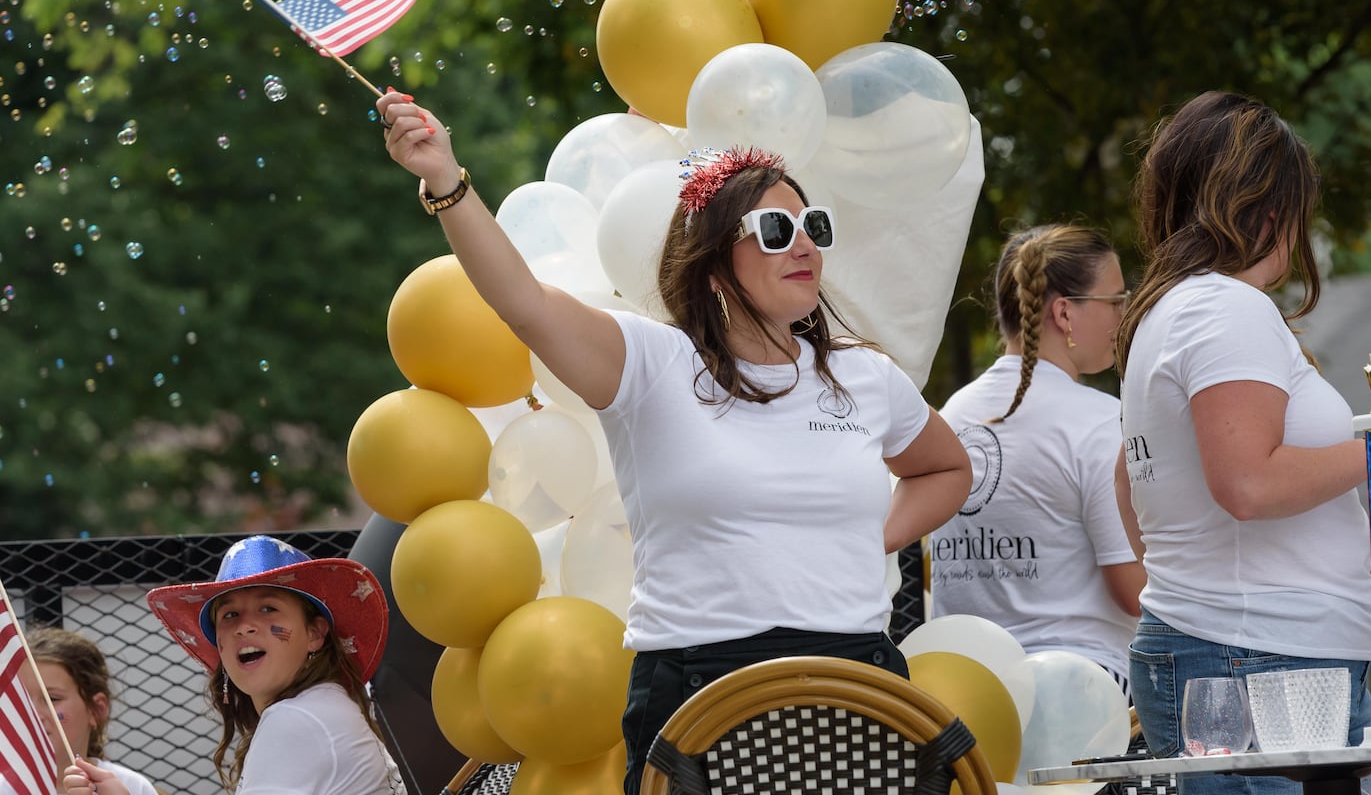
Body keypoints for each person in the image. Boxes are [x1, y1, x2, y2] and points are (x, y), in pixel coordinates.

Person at [374, 89, 971, 794]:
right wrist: (446, 180)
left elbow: (944, 470)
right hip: (699, 684)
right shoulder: (652, 364)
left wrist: (862, 538)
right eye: (775, 230)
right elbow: (524, 304)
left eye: (813, 225)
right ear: (716, 266)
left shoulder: (864, 375)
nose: (804, 243)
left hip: (857, 678)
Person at [1114, 91, 1371, 794]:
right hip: (1257, 662)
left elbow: (1129, 480)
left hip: (1252, 655)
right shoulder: (1226, 307)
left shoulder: (1172, 310)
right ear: (1268, 206)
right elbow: (1248, 485)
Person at [929, 224, 1144, 695]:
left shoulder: (951, 416)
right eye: (1115, 301)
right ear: (1064, 313)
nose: (1124, 317)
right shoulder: (1099, 423)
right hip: (1081, 693)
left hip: (962, 694)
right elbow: (1135, 595)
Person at [62, 535, 404, 795]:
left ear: (315, 633)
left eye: (268, 608)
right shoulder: (321, 705)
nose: (244, 626)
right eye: (229, 614)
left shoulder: (296, 719)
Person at [14, 627, 162, 795]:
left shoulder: (132, 787)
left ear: (96, 710)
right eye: (22, 700)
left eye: (52, 699)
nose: (33, 715)